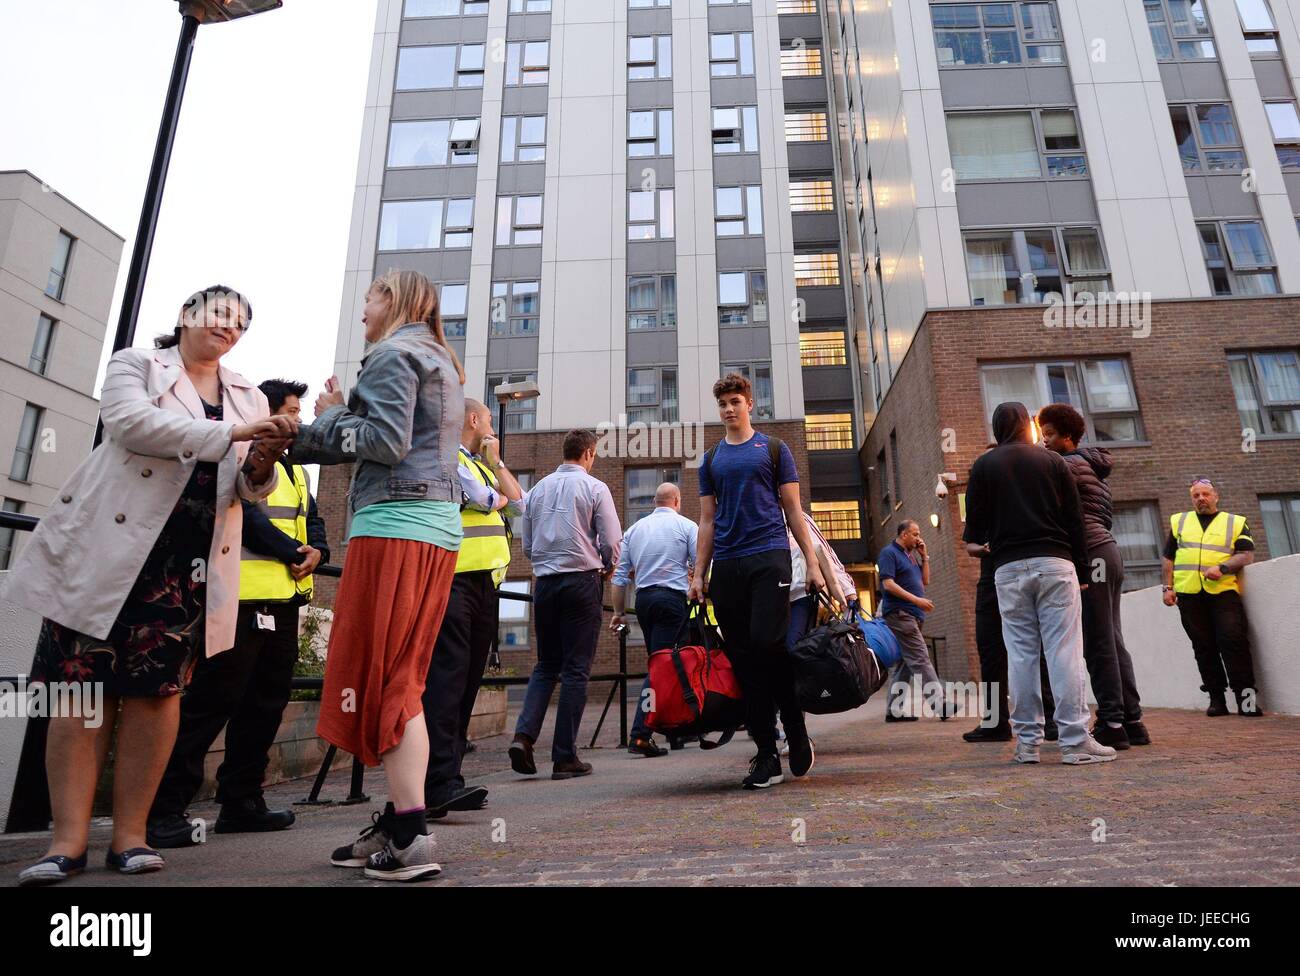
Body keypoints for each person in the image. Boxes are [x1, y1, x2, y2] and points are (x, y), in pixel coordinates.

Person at [8, 286, 293, 885]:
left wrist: (263, 458)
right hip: (109, 554)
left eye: (242, 324)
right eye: (221, 315)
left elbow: (247, 486)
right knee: (82, 693)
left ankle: (131, 836)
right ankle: (66, 842)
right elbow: (132, 425)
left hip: (186, 567)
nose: (231, 328)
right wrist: (239, 437)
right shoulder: (136, 364)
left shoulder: (242, 391)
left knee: (159, 696)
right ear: (187, 315)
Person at [291, 269, 466, 882]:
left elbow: (384, 442)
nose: (362, 310)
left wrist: (333, 415)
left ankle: (413, 837)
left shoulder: (392, 353)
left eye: (368, 299)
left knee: (388, 678)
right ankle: (398, 822)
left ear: (390, 300)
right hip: (436, 530)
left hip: (393, 525)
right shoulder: (439, 357)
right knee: (405, 676)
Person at [147, 379, 329, 847]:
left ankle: (242, 801)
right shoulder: (240, 457)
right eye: (290, 413)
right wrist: (294, 550)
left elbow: (312, 519)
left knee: (265, 705)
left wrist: (319, 552)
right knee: (212, 702)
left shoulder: (296, 471)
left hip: (284, 601)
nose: (297, 423)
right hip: (238, 599)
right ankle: (165, 809)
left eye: (299, 414)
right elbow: (245, 517)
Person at [687, 373, 825, 790]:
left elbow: (794, 512)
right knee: (745, 660)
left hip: (770, 557)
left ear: (750, 404)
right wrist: (698, 574)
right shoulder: (710, 460)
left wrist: (814, 565)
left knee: (769, 645)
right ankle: (766, 752)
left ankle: (796, 728)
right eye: (723, 404)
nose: (729, 409)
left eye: (735, 401)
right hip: (727, 566)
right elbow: (707, 520)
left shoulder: (775, 449)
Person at [962, 402, 1116, 766]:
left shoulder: (983, 466)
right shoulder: (1052, 462)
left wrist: (985, 544)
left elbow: (972, 535)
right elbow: (1075, 521)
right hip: (1055, 563)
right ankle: (1075, 742)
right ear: (1026, 426)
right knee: (1064, 652)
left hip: (1008, 569)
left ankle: (1027, 744)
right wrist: (1081, 572)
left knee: (1021, 655)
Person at [421, 398, 526, 818]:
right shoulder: (447, 456)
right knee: (446, 680)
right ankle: (436, 783)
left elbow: (518, 501)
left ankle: (450, 779)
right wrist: (495, 495)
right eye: (486, 419)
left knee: (466, 682)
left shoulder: (482, 462)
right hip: (453, 580)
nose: (490, 427)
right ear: (473, 419)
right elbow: (482, 499)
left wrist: (498, 465)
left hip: (485, 584)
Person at [509, 429, 622, 780]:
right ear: (588, 453)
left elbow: (527, 545)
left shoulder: (538, 489)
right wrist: (607, 566)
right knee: (575, 669)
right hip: (582, 581)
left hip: (545, 584)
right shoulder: (594, 487)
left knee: (546, 665)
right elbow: (613, 541)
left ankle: (523, 737)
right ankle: (564, 756)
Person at [1037, 403, 1149, 748]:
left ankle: (1112, 725)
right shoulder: (1089, 465)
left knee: (1098, 641)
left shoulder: (1067, 465)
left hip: (1092, 555)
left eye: (1050, 435)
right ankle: (1132, 721)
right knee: (1113, 638)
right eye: (1043, 436)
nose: (1044, 443)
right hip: (1108, 552)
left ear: (1067, 437)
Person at [610, 482, 698, 758]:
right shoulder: (686, 527)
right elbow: (701, 567)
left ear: (655, 502)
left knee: (667, 664)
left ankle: (678, 728)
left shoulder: (635, 530)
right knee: (662, 667)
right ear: (677, 500)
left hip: (645, 602)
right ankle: (640, 734)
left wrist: (619, 613)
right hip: (672, 601)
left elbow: (620, 576)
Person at [1163, 478, 1262, 717]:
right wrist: (1167, 587)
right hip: (1188, 594)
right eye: (1196, 495)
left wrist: (1224, 568)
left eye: (1205, 494)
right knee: (1203, 647)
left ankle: (1246, 701)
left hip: (1223, 593)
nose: (1201, 499)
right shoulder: (1180, 521)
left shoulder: (1235, 522)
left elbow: (1246, 555)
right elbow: (1169, 558)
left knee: (1233, 642)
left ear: (1215, 496)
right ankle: (1217, 700)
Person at [878, 520, 953, 721]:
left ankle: (893, 711)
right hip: (900, 614)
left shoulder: (910, 555)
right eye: (915, 534)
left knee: (905, 663)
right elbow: (888, 584)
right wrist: (917, 601)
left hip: (913, 615)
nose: (919, 538)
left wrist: (924, 557)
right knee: (920, 657)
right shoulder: (889, 553)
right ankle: (940, 704)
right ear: (904, 535)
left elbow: (924, 581)